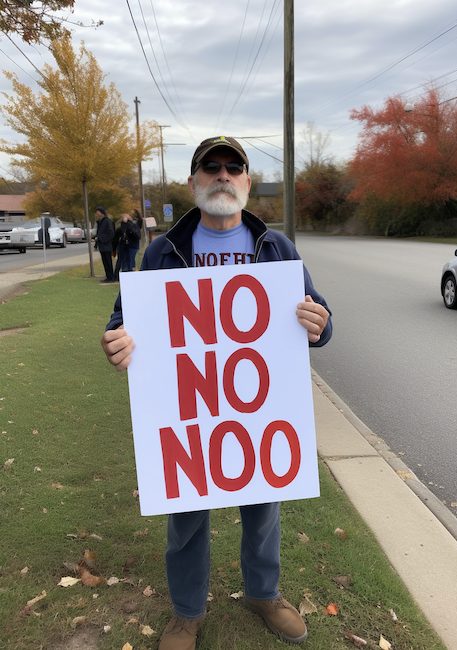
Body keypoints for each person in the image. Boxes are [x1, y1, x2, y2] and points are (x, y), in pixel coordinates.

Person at [101, 136, 332, 650]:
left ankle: (264, 593)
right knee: (185, 515)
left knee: (263, 507)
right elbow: (124, 319)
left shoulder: (277, 248)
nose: (222, 175)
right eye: (211, 167)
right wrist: (116, 341)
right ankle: (187, 612)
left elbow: (319, 316)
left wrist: (320, 322)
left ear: (247, 183)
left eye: (234, 167)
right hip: (191, 409)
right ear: (194, 183)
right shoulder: (164, 251)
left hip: (257, 407)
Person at [112, 213, 141, 279]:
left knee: (130, 261)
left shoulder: (133, 226)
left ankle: (129, 275)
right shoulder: (121, 228)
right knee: (122, 261)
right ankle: (119, 275)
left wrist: (128, 226)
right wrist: (114, 249)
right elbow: (116, 238)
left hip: (132, 246)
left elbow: (137, 236)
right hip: (123, 247)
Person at [94, 206, 115, 282]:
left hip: (107, 245)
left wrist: (102, 239)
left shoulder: (107, 221)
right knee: (105, 262)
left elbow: (111, 233)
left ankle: (111, 277)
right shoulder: (100, 222)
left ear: (101, 213)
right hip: (102, 246)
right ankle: (108, 276)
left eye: (97, 212)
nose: (96, 214)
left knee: (108, 262)